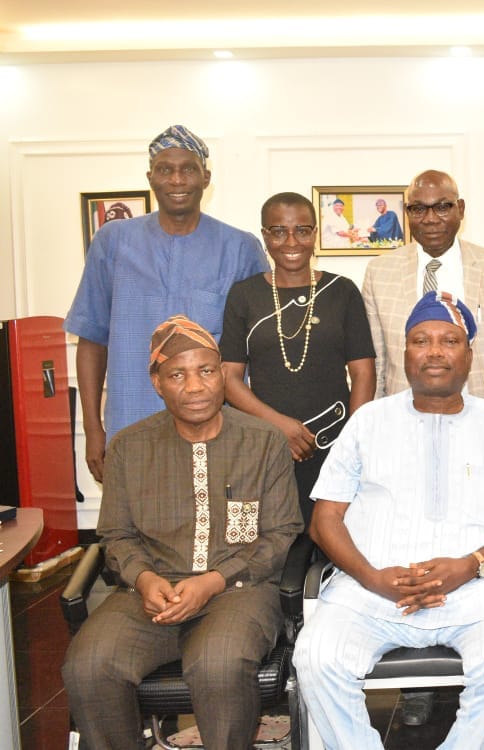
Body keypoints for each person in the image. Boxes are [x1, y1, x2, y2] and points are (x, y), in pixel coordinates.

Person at [294, 291, 484, 749]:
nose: (434, 351)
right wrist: (371, 577)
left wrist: (468, 565)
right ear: (404, 351)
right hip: (371, 590)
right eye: (421, 340)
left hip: (472, 589)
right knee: (315, 658)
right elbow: (324, 518)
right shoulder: (368, 421)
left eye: (449, 340)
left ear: (469, 355)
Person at [61, 315, 304, 749]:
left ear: (224, 376)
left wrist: (211, 582)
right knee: (89, 664)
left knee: (218, 664)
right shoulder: (128, 448)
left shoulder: (263, 441)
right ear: (157, 382)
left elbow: (281, 534)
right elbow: (116, 534)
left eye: (207, 371)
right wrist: (145, 578)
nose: (195, 387)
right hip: (149, 596)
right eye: (177, 374)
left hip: (239, 592)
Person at [64, 124, 268, 482]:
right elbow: (92, 341)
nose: (177, 180)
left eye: (188, 168)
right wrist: (94, 429)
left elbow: (261, 347)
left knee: (216, 528)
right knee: (134, 530)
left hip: (217, 426)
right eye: (165, 169)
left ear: (206, 178)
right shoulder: (113, 242)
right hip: (131, 422)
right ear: (150, 177)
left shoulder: (240, 247)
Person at [220, 192, 376, 524]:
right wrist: (279, 426)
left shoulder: (342, 292)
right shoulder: (244, 295)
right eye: (279, 231)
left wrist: (352, 441)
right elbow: (229, 378)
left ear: (315, 234)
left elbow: (363, 374)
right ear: (265, 235)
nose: (291, 241)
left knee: (332, 536)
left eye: (302, 230)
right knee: (271, 542)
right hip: (265, 443)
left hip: (334, 443)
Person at [362, 169, 484, 404]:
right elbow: (377, 364)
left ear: (461, 209)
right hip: (403, 422)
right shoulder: (380, 273)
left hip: (480, 420)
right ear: (407, 213)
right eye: (418, 209)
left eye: (442, 207)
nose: (431, 219)